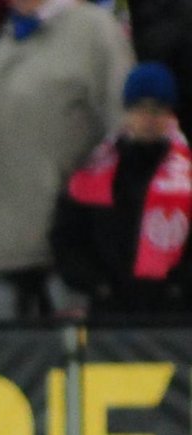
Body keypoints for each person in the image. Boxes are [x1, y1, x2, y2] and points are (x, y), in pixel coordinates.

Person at [0, 0, 130, 319]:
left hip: (68, 248)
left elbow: (123, 133)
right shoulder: (8, 36)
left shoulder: (95, 31)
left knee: (75, 361)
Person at [51, 62, 192, 316]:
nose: (149, 118)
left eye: (158, 109)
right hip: (110, 315)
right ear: (127, 112)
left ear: (171, 114)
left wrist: (178, 287)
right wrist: (98, 285)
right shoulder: (94, 170)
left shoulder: (187, 174)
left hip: (173, 318)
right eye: (140, 108)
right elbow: (66, 238)